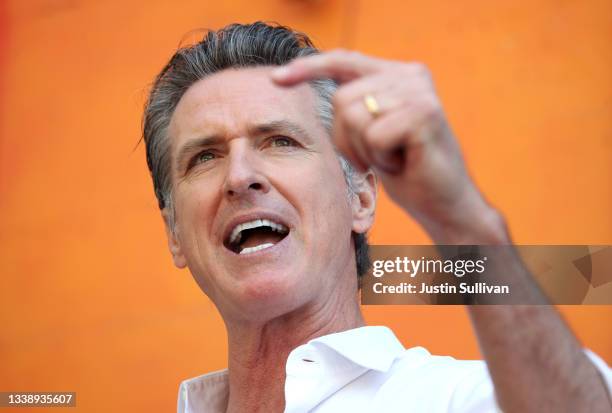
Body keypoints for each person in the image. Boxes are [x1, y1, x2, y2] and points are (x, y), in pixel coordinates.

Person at [141, 22, 612, 412]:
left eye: (280, 141)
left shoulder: (456, 399)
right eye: (204, 157)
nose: (239, 176)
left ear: (360, 198)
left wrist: (462, 220)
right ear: (175, 234)